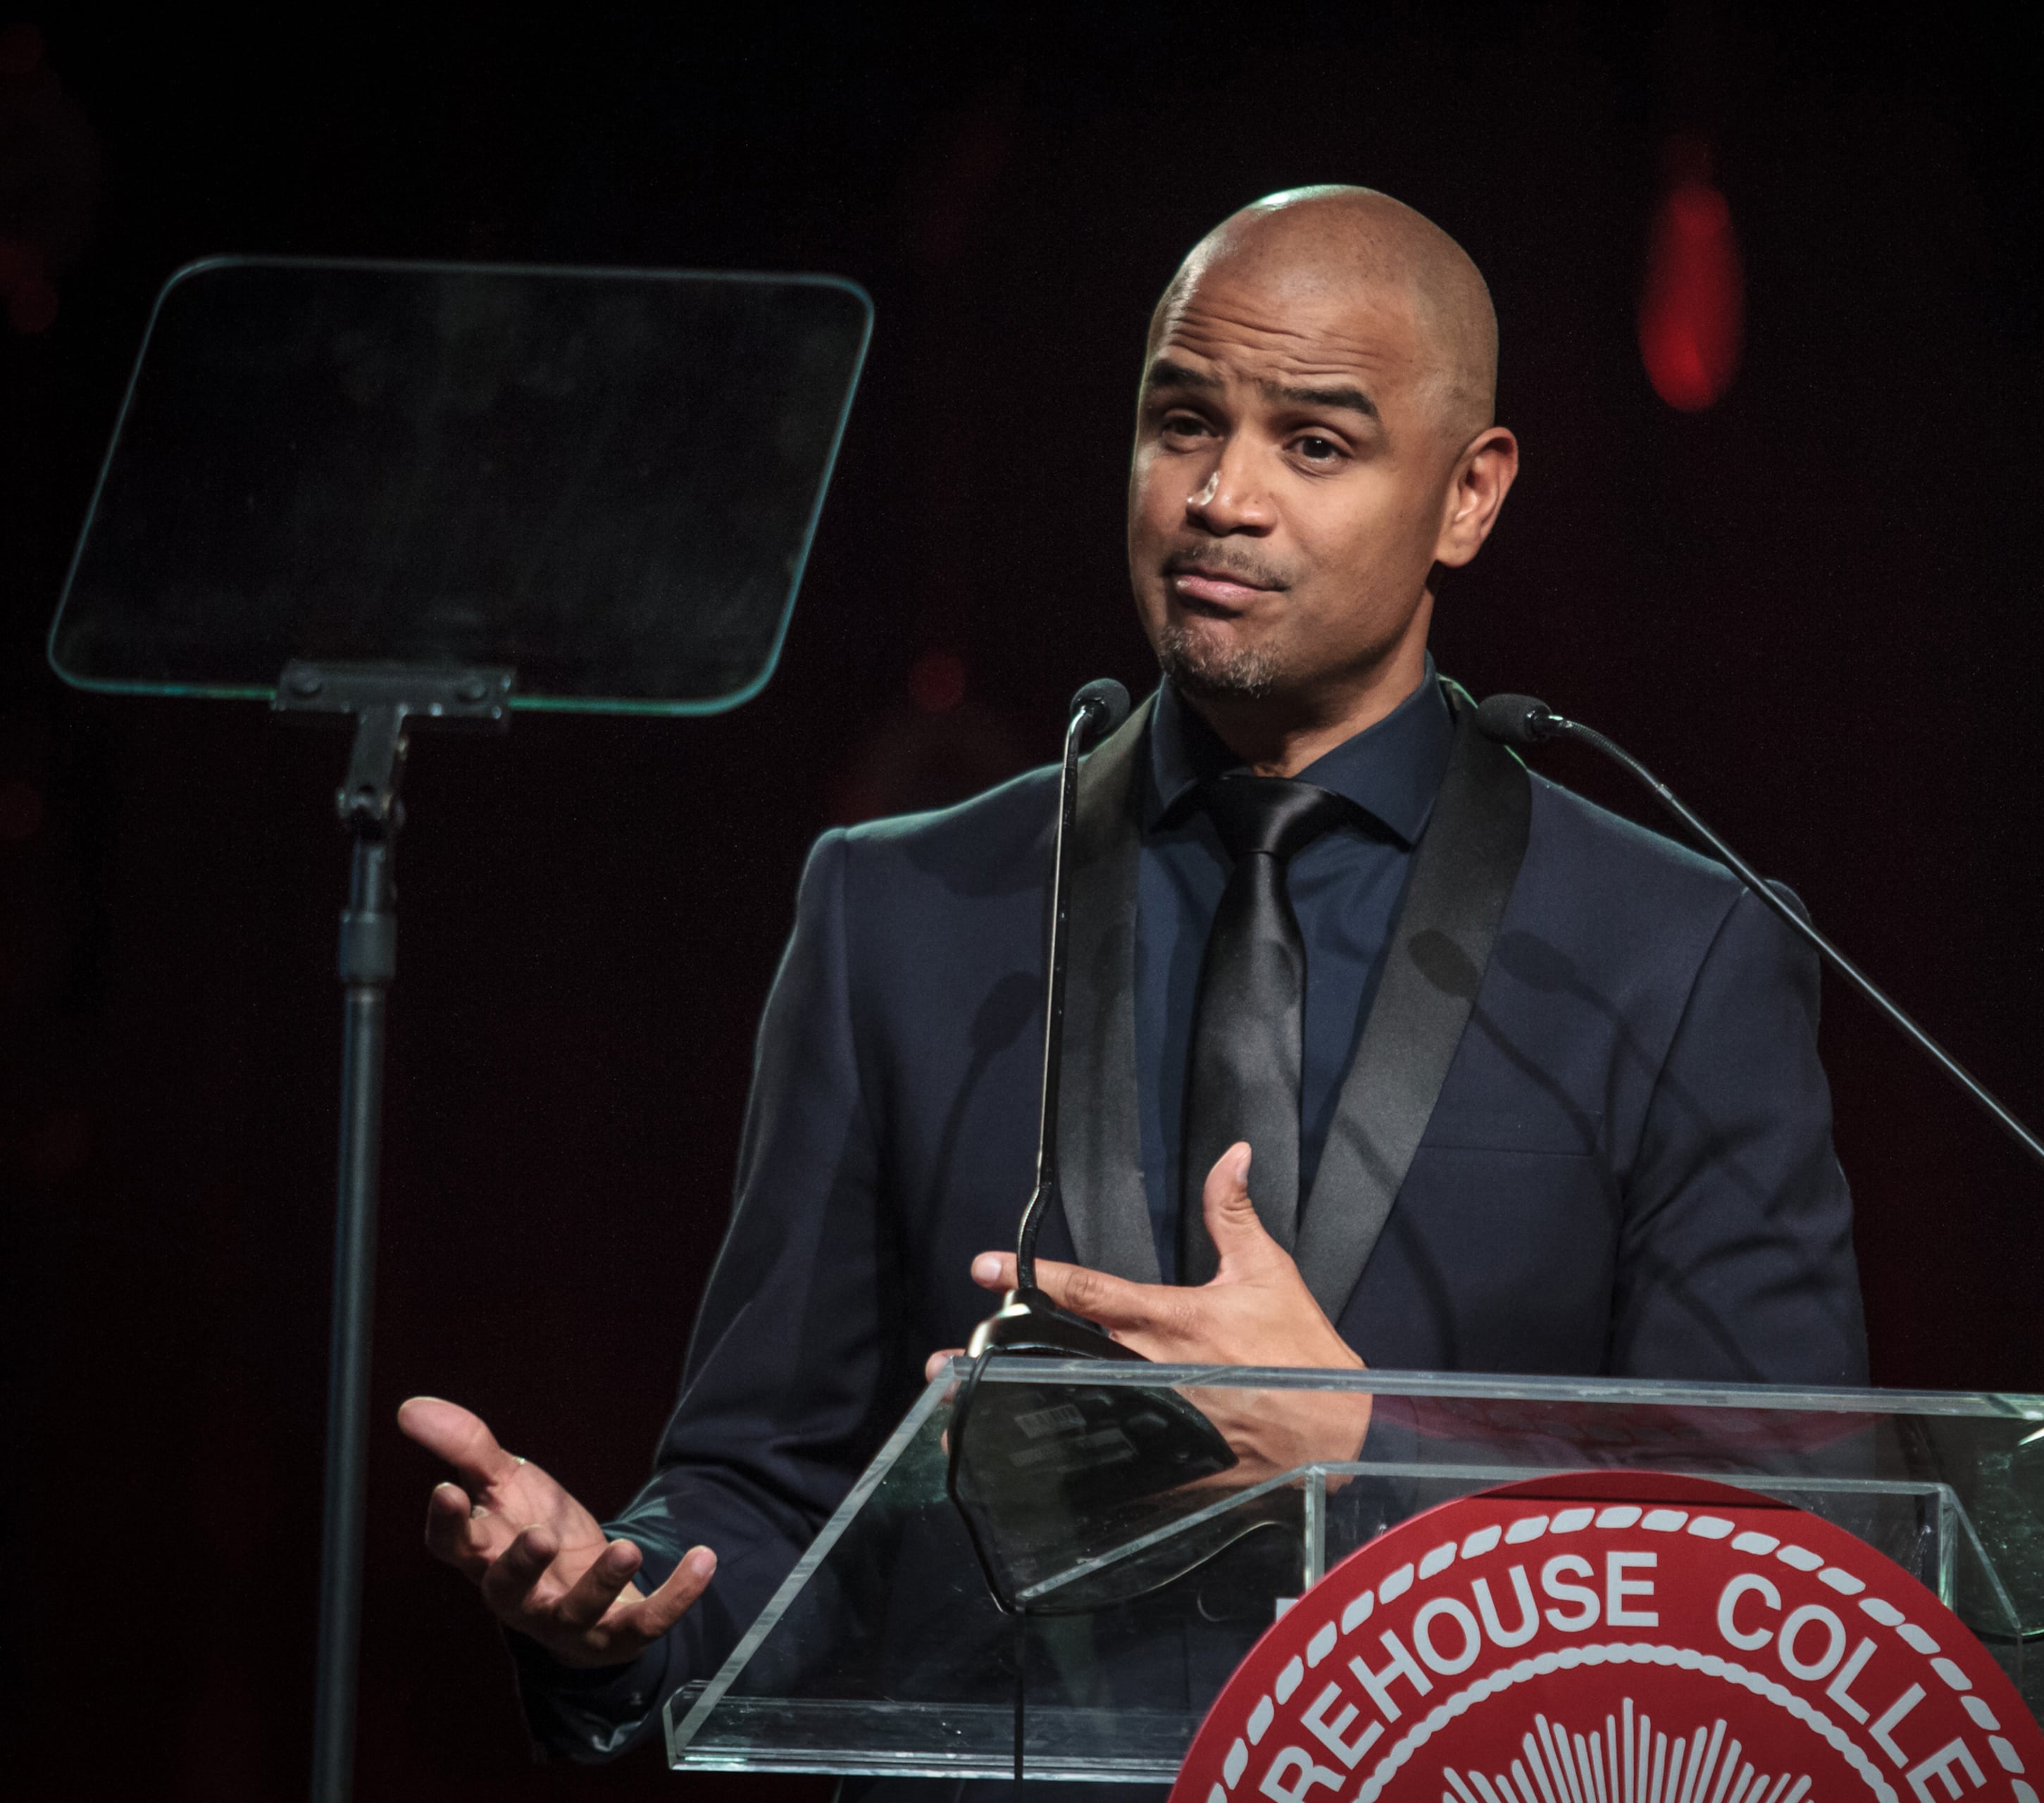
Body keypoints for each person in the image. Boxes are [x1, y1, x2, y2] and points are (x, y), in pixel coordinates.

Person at [399, 185, 1866, 1767]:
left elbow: (1778, 1547)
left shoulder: (1680, 951)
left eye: (1316, 443)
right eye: (1184, 421)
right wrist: (629, 1607)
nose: (1220, 494)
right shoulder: (899, 913)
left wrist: (1366, 1452)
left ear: (1468, 494)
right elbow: (772, 1483)